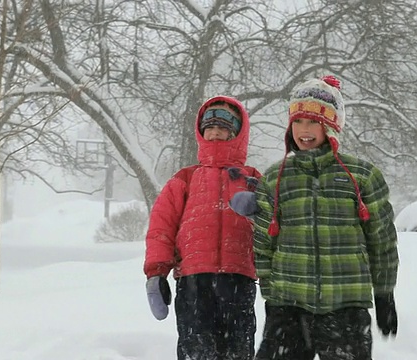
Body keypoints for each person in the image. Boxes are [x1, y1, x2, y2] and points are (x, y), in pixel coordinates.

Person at [231, 76, 399, 360]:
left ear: (331, 126)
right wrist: (272, 297)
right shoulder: (276, 177)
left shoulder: (362, 176)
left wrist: (384, 293)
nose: (304, 130)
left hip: (345, 305)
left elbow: (381, 239)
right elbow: (263, 243)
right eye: (298, 122)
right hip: (289, 305)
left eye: (313, 122)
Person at [143, 96, 262, 360]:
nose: (216, 131)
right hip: (194, 280)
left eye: (224, 126)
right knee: (196, 349)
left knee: (238, 350)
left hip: (238, 278)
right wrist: (157, 272)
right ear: (201, 131)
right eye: (210, 126)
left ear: (237, 132)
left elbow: (272, 224)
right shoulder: (186, 178)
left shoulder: (252, 178)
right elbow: (162, 227)